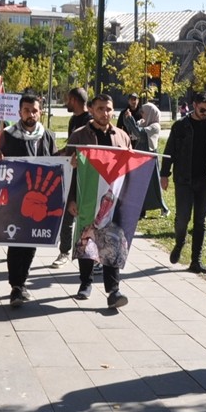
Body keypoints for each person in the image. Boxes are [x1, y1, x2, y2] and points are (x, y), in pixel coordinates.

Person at [65, 94, 133, 309]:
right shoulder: (79, 136)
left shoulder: (122, 136)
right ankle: (85, 283)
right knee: (87, 239)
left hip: (112, 201)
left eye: (109, 109)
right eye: (101, 109)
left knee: (112, 242)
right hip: (87, 198)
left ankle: (113, 290)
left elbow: (129, 171)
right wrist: (71, 199)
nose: (105, 113)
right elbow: (68, 171)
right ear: (91, 110)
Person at [0, 94, 58, 307]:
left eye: (34, 111)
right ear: (19, 112)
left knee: (32, 242)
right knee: (16, 242)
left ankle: (21, 284)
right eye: (26, 110)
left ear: (40, 112)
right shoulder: (8, 135)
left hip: (39, 202)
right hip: (14, 199)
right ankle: (16, 285)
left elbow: (56, 162)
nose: (30, 115)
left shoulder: (47, 136)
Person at [160, 91, 206, 273]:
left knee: (201, 221)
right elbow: (169, 150)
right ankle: (180, 241)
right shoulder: (181, 126)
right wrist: (164, 174)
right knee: (182, 218)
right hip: (184, 179)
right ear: (194, 106)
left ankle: (196, 261)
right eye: (203, 109)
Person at [52, 86, 92, 268]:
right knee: (67, 213)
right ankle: (64, 251)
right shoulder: (72, 120)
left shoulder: (90, 121)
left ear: (74, 101)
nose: (66, 103)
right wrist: (58, 154)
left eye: (68, 99)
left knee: (87, 216)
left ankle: (90, 254)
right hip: (71, 173)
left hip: (86, 177)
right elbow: (71, 146)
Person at [137, 100, 170, 218]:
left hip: (150, 158)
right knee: (140, 185)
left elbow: (140, 133)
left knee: (154, 184)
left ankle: (163, 208)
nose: (142, 115)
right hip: (140, 157)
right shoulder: (142, 122)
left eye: (143, 112)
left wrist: (130, 121)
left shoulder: (155, 126)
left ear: (150, 113)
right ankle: (141, 211)